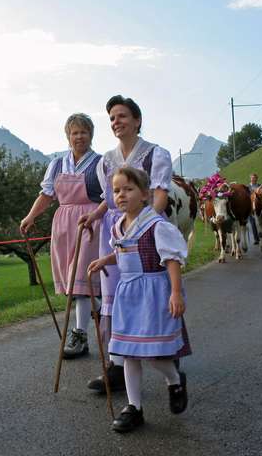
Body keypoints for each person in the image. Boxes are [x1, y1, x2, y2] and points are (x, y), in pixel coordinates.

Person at [80, 95, 173, 394]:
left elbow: (159, 195)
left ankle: (165, 352)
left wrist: (144, 226)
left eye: (121, 116)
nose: (116, 122)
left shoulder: (156, 154)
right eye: (112, 118)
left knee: (148, 294)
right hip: (115, 233)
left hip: (144, 231)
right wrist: (93, 216)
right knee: (114, 298)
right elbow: (110, 200)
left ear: (137, 121)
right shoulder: (106, 161)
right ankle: (117, 365)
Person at [87, 167, 190, 433]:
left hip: (154, 295)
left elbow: (171, 260)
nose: (121, 195)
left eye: (128, 189)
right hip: (128, 295)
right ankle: (134, 407)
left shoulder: (156, 226)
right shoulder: (119, 226)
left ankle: (174, 379)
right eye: (117, 190)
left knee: (155, 355)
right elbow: (122, 252)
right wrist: (105, 260)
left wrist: (176, 292)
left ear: (145, 194)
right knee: (129, 353)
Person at [20, 114, 102, 359]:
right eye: (75, 133)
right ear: (68, 136)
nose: (79, 137)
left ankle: (79, 336)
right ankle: (107, 312)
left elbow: (110, 195)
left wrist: (97, 217)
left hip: (89, 223)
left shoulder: (100, 163)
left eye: (84, 132)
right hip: (63, 224)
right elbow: (46, 195)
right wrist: (30, 216)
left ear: (91, 135)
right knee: (71, 283)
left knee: (81, 280)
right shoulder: (56, 164)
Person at [247, 173, 260, 245]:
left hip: (259, 208)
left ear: (256, 179)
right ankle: (256, 239)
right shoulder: (247, 187)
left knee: (261, 223)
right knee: (253, 223)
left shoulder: (259, 186)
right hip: (251, 208)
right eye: (252, 178)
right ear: (250, 179)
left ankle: (261, 236)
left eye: (254, 178)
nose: (253, 179)